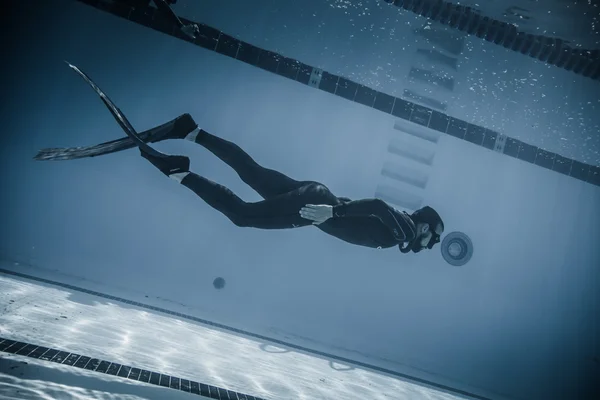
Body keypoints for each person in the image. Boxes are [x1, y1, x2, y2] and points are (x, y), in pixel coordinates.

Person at [66, 63, 444, 253]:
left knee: (251, 173)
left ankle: (191, 131)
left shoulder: (404, 228)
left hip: (318, 196)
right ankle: (179, 172)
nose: (428, 245)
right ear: (425, 227)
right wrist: (334, 214)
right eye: (433, 238)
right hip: (317, 207)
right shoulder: (407, 230)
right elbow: (376, 204)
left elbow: (376, 208)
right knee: (242, 216)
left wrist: (333, 209)